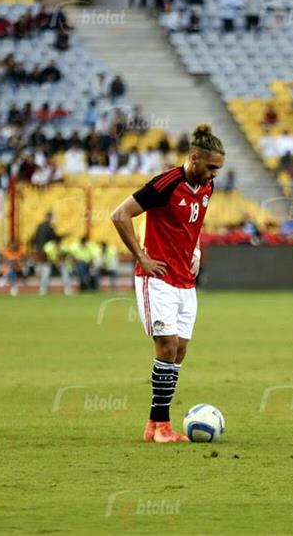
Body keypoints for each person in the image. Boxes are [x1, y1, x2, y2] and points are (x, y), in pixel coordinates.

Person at [110, 123, 223, 443]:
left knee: (180, 350)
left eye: (218, 169)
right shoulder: (166, 183)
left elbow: (195, 223)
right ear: (194, 158)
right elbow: (120, 215)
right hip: (156, 277)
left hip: (186, 280)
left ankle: (154, 426)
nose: (215, 174)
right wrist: (141, 256)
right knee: (167, 346)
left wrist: (197, 248)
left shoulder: (207, 186)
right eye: (211, 167)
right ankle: (161, 427)